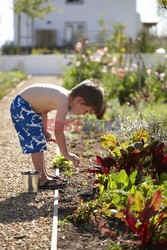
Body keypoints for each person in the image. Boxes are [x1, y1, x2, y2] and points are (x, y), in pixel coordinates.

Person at [10, 78, 104, 189]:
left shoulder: (63, 96)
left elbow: (44, 110)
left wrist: (43, 130)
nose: (84, 114)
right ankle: (42, 179)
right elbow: (58, 131)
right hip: (21, 106)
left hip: (26, 106)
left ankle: (44, 175)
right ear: (80, 101)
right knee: (36, 142)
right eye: (86, 111)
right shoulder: (63, 101)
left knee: (39, 140)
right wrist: (66, 154)